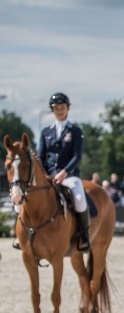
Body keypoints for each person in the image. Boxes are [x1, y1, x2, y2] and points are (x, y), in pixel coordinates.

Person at [22, 92, 90, 250]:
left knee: (79, 199)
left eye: (62, 107)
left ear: (68, 108)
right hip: (48, 175)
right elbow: (40, 156)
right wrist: (44, 174)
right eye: (56, 108)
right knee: (25, 197)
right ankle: (22, 234)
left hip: (69, 175)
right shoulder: (46, 132)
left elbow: (77, 156)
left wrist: (64, 172)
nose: (59, 110)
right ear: (52, 110)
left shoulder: (75, 131)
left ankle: (83, 236)